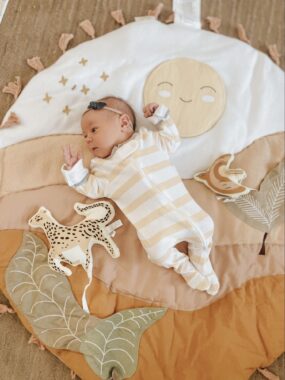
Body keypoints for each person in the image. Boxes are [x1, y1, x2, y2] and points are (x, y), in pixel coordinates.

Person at [62, 96, 220, 295]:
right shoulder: (103, 169)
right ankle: (183, 266)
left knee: (205, 226)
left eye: (93, 130)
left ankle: (202, 262)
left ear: (124, 123)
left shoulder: (148, 140)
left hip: (184, 210)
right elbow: (90, 188)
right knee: (158, 253)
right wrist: (75, 171)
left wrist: (160, 117)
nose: (87, 138)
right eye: (84, 135)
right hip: (154, 227)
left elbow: (172, 140)